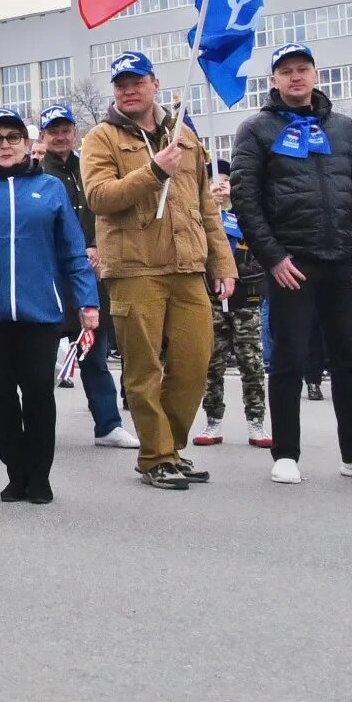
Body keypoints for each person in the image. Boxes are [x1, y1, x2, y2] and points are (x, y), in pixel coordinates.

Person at [229, 43, 352, 486]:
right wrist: (273, 257)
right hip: (291, 264)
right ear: (274, 81)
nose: (296, 77)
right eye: (286, 71)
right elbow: (246, 200)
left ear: (316, 75)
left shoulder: (343, 128)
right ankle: (285, 454)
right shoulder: (256, 129)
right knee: (288, 360)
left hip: (344, 260)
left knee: (350, 361)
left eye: (303, 69)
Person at [80, 51, 236, 490]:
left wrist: (222, 261)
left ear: (155, 84)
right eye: (120, 84)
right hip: (134, 268)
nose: (128, 90)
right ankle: (156, 456)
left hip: (187, 265)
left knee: (194, 363)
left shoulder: (183, 134)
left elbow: (205, 203)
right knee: (144, 369)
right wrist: (151, 171)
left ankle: (169, 447)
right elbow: (99, 198)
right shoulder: (101, 138)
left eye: (136, 82)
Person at [0, 108, 99, 504]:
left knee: (39, 393)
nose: (4, 145)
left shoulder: (51, 188)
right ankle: (15, 473)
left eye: (13, 137)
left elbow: (74, 252)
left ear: (26, 144)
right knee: (1, 396)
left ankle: (39, 475)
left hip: (40, 313)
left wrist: (87, 301)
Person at [34, 104, 137, 451]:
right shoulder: (35, 175)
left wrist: (96, 247)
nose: (60, 136)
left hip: (92, 277)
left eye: (66, 130)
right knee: (40, 360)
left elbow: (110, 211)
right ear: (43, 136)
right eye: (53, 131)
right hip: (51, 281)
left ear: (74, 133)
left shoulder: (91, 168)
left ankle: (108, 424)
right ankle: (34, 428)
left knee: (95, 355)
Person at [196, 176, 270, 448]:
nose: (220, 186)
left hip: (245, 299)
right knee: (212, 363)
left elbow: (261, 253)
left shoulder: (247, 216)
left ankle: (256, 422)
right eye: (215, 181)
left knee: (250, 362)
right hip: (211, 299)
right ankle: (213, 420)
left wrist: (240, 275)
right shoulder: (204, 217)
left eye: (226, 181)